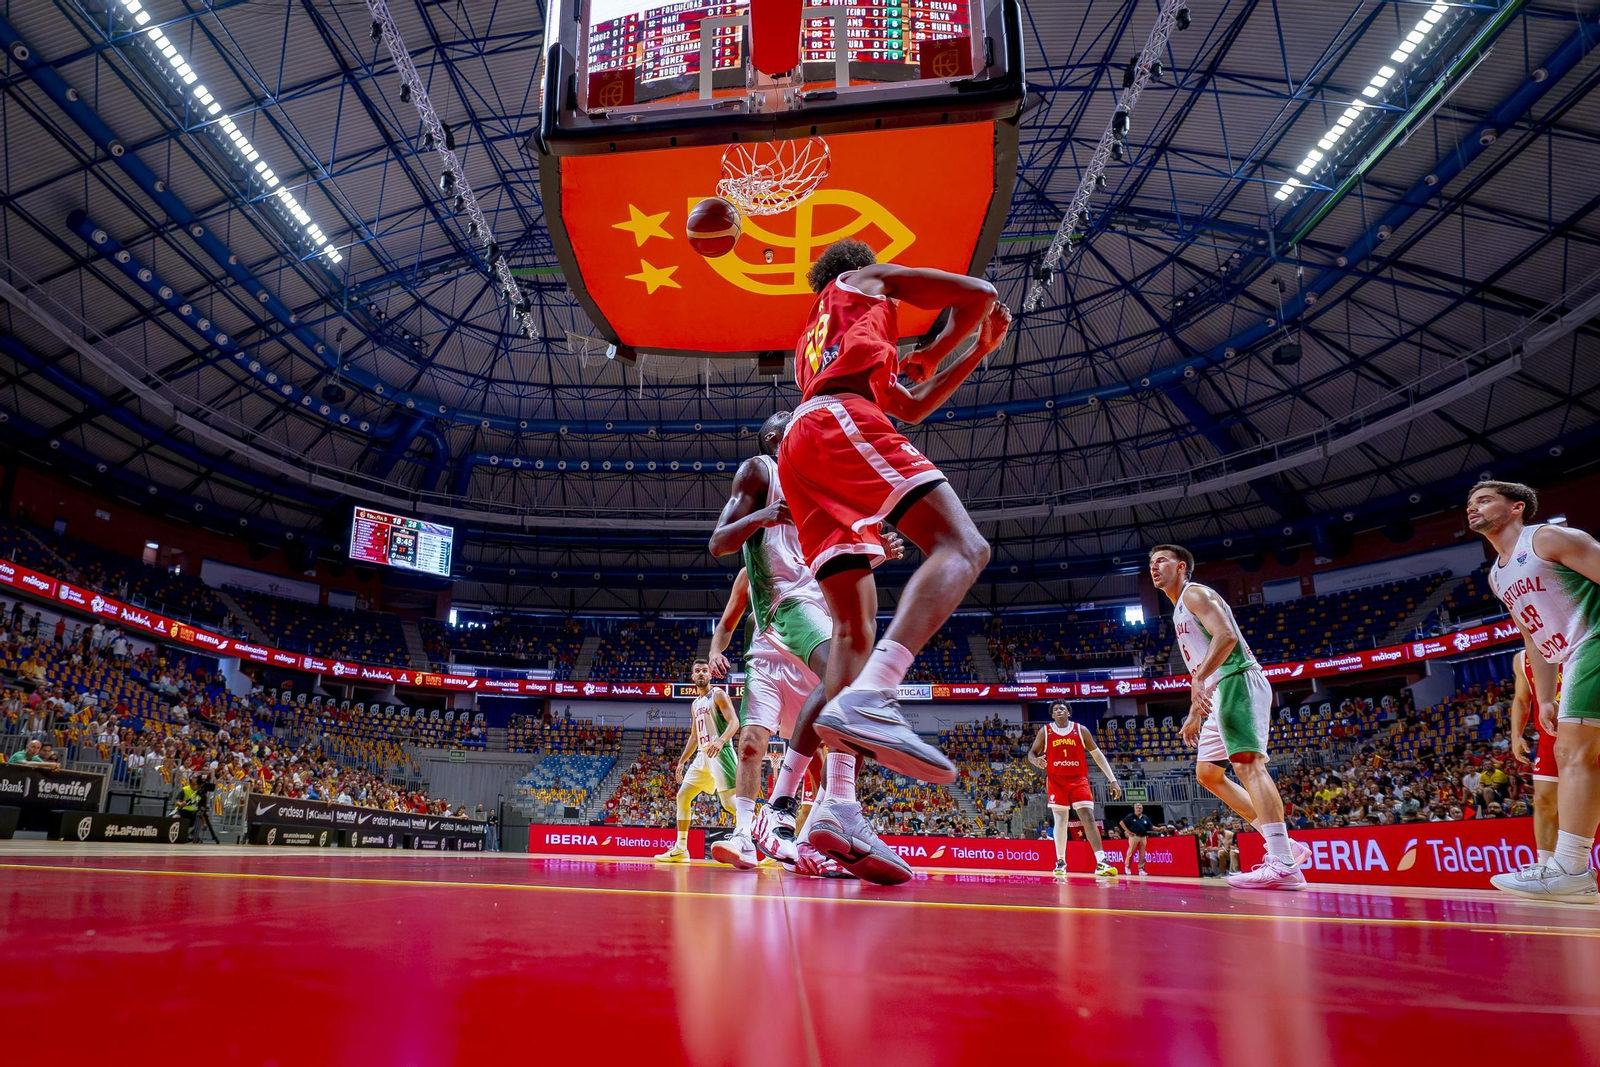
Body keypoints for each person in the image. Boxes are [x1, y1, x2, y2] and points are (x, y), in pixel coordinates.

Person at [774, 240, 1010, 871]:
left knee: (852, 632)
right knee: (962, 546)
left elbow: (908, 405)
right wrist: (937, 348)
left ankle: (837, 807)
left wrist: (975, 351)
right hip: (836, 422)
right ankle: (877, 693)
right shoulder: (863, 280)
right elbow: (979, 294)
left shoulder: (815, 340)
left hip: (804, 445)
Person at [707, 418, 904, 879]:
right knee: (758, 740)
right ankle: (757, 826)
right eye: (788, 419)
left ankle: (811, 823)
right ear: (776, 438)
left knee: (836, 719)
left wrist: (880, 553)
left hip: (816, 607)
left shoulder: (819, 490)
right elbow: (717, 543)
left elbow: (832, 558)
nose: (801, 419)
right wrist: (763, 515)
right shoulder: (761, 470)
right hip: (784, 611)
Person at [1149, 544, 1310, 889]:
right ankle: (1285, 846)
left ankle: (1283, 864)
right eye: (1151, 562)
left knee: (1248, 765)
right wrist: (1196, 707)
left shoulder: (1194, 594)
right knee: (1208, 774)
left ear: (1181, 568)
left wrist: (1197, 681)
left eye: (1161, 560)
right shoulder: (1180, 607)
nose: (1154, 566)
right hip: (1220, 689)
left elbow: (1226, 636)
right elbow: (1205, 661)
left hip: (1236, 679)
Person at [1469, 481, 1600, 903]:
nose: (1473, 508)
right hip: (1570, 656)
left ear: (1516, 508)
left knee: (1573, 753)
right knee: (1577, 755)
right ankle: (1568, 867)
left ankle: (1571, 868)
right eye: (1470, 503)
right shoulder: (1497, 575)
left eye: (1485, 500)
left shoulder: (1545, 537)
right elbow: (1533, 636)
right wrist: (1544, 696)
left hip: (1594, 640)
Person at [654, 659, 739, 864]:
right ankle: (681, 849)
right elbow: (694, 736)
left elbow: (735, 722)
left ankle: (766, 836)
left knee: (729, 804)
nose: (701, 674)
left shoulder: (718, 694)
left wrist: (720, 740)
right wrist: (682, 761)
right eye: (697, 671)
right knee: (683, 796)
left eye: (704, 671)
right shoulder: (695, 704)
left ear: (710, 675)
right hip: (702, 755)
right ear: (692, 677)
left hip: (721, 753)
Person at [1026, 702, 1119, 876]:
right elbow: (1031, 753)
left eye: (1062, 708)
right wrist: (1036, 761)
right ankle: (1060, 861)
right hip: (1056, 780)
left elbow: (1097, 755)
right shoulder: (1045, 731)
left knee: (1088, 817)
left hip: (1078, 779)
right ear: (1052, 715)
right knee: (1061, 820)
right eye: (1055, 709)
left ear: (1068, 712)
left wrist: (1112, 779)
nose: (1059, 711)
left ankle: (1101, 862)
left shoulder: (1081, 730)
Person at [1120, 802, 1154, 875]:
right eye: (1137, 808)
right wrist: (1128, 831)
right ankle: (1127, 867)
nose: (1139, 809)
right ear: (1134, 808)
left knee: (1142, 854)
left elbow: (1152, 826)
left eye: (1140, 808)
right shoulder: (1131, 816)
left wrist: (1160, 828)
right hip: (1134, 836)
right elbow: (1121, 823)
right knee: (1131, 852)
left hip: (1143, 837)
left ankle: (1141, 870)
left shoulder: (1145, 817)